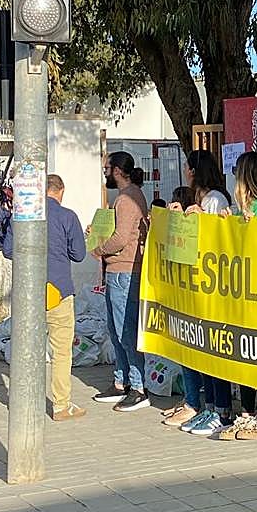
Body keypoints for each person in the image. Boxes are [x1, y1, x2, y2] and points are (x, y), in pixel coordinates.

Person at [2, 174, 87, 421]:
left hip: (28, 292)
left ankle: (24, 402)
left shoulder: (21, 215)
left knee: (27, 349)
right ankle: (61, 405)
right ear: (61, 191)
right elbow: (79, 254)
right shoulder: (68, 216)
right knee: (61, 352)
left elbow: (8, 251)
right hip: (58, 291)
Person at [166, 150, 236, 435]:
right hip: (198, 285)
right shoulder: (202, 198)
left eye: (187, 167)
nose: (185, 172)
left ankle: (221, 410)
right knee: (200, 351)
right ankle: (207, 406)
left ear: (195, 171)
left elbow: (214, 237)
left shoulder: (215, 199)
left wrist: (199, 218)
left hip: (214, 286)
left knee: (213, 353)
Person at [218, 151, 257, 442]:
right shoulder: (245, 208)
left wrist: (252, 227)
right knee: (245, 352)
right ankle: (246, 413)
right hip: (243, 291)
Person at [92, 151, 151, 411]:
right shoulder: (126, 196)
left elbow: (120, 237)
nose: (105, 173)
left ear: (117, 171)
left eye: (106, 168)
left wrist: (100, 248)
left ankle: (138, 387)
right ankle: (121, 381)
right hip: (118, 270)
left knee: (125, 330)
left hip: (125, 271)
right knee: (116, 330)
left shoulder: (127, 199)